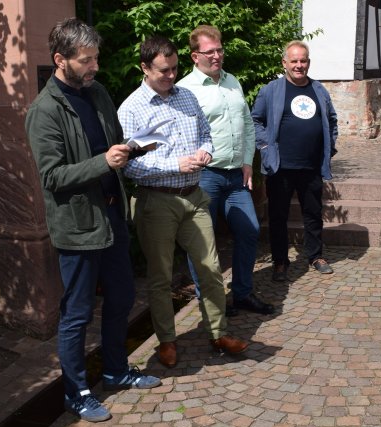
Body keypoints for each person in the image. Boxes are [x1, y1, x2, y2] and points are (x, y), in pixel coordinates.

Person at [25, 18, 161, 423]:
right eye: (86, 60)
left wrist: (130, 150)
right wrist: (103, 161)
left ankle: (116, 371)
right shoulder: (44, 111)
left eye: (96, 58)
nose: (95, 66)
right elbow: (52, 177)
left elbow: (111, 143)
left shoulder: (97, 92)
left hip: (112, 215)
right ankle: (76, 391)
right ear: (60, 60)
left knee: (121, 298)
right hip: (78, 226)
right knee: (78, 313)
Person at [117, 35, 249, 369]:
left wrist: (206, 150)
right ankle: (167, 341)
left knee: (211, 268)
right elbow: (129, 165)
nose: (171, 75)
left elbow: (206, 134)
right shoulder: (131, 108)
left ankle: (218, 333)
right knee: (161, 277)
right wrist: (174, 165)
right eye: (163, 70)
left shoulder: (188, 97)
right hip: (157, 202)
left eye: (175, 68)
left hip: (194, 196)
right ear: (145, 67)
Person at [177, 25, 274, 315]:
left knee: (249, 230)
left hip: (235, 175)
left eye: (219, 49)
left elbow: (245, 124)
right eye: (210, 52)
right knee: (202, 242)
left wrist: (247, 162)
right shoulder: (185, 89)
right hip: (206, 176)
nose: (217, 55)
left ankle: (242, 293)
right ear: (196, 56)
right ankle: (209, 300)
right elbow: (181, 134)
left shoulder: (233, 82)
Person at [251, 40, 338, 282]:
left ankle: (315, 256)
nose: (299, 65)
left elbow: (331, 119)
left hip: (311, 165)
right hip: (280, 166)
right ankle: (280, 261)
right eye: (294, 61)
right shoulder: (271, 90)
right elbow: (255, 119)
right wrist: (265, 146)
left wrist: (329, 148)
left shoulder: (319, 90)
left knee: (313, 212)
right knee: (278, 216)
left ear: (308, 62)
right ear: (285, 63)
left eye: (303, 61)